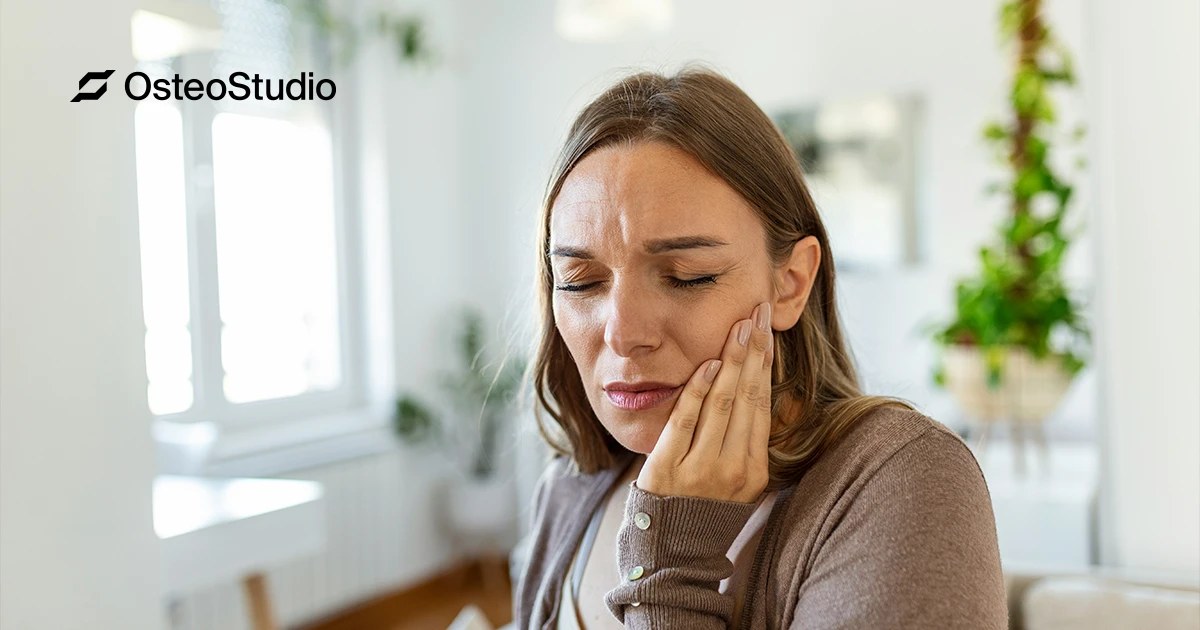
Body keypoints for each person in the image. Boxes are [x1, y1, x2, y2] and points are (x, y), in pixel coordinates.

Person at [511, 66, 1008, 630]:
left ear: (791, 283)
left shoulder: (901, 480)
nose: (623, 333)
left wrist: (671, 566)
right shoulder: (570, 489)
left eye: (686, 275)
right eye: (580, 282)